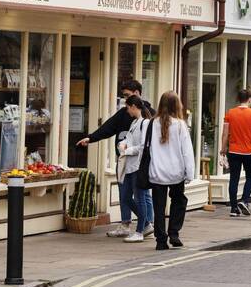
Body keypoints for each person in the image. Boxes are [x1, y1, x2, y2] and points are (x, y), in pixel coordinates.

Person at [80, 78, 155, 235]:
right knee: (125, 194)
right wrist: (91, 138)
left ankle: (147, 225)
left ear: (136, 94)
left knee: (143, 196)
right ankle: (127, 224)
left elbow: (147, 143)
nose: (125, 100)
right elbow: (108, 127)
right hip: (123, 161)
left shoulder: (149, 116)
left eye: (127, 95)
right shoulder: (124, 113)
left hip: (140, 162)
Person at [148, 91, 195, 251]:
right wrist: (190, 173)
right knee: (179, 201)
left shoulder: (152, 124)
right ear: (177, 105)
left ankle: (161, 240)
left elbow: (144, 147)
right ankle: (174, 233)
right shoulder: (180, 125)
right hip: (176, 172)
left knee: (159, 208)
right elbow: (187, 151)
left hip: (157, 172)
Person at [114, 95, 151, 243]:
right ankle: (147, 224)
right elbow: (128, 141)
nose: (127, 111)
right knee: (126, 198)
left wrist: (126, 150)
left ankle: (140, 231)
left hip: (138, 167)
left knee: (140, 198)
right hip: (129, 167)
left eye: (128, 108)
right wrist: (121, 145)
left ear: (134, 107)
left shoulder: (146, 123)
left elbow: (143, 146)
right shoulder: (134, 122)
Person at [222, 89, 251, 216]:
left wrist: (223, 148)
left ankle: (234, 208)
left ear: (238, 99)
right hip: (248, 152)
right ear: (249, 99)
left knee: (233, 179)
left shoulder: (230, 113)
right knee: (250, 177)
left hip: (233, 151)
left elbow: (225, 133)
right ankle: (244, 200)